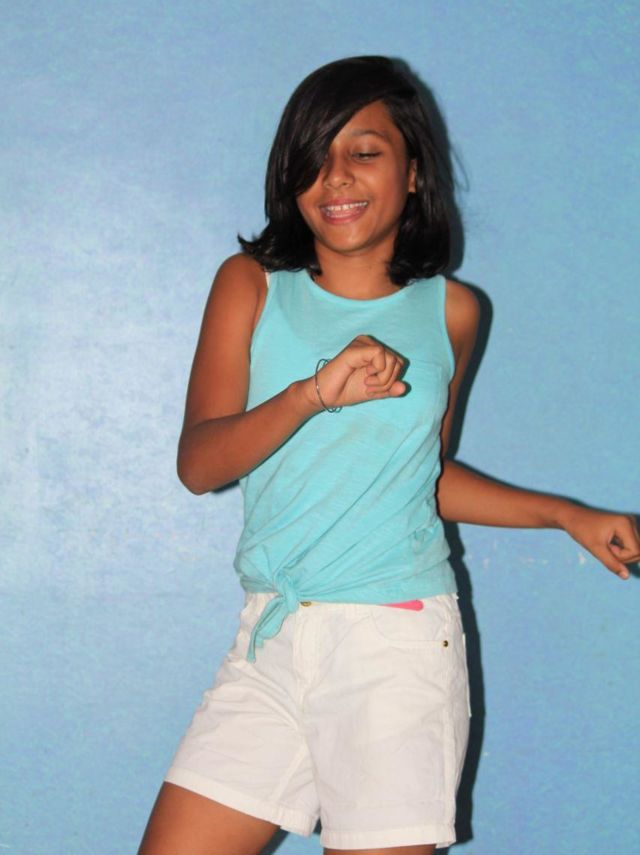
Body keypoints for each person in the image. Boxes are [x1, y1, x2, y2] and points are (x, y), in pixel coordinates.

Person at [138, 56, 639, 855]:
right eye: (315, 156)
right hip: (273, 633)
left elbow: (422, 478)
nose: (335, 176)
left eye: (364, 151)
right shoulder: (252, 285)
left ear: (413, 173)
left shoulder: (452, 311)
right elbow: (200, 464)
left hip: (393, 643)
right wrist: (312, 393)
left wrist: (565, 514)